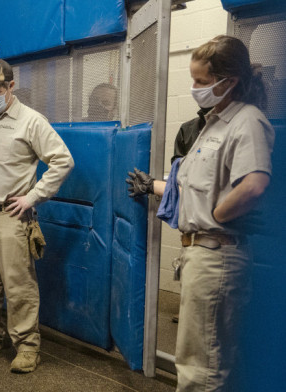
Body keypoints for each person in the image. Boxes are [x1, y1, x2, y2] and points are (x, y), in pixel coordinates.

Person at [127, 35, 274, 391]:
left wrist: (219, 214)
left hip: (217, 255)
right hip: (201, 254)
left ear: (230, 81)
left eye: (202, 82)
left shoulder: (247, 121)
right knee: (203, 356)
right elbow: (191, 188)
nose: (194, 88)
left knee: (201, 365)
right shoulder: (213, 123)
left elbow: (254, 184)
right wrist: (152, 186)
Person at [0, 59, 74, 374]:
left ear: (11, 86)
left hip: (11, 216)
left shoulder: (31, 121)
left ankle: (27, 346)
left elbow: (62, 160)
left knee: (19, 285)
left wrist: (33, 197)